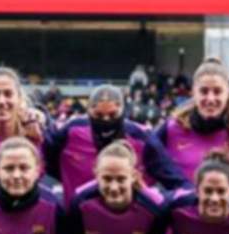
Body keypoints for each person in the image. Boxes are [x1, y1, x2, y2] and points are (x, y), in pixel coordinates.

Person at [149, 59, 229, 190]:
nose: (210, 99)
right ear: (193, 92)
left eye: (217, 91)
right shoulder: (171, 129)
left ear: (228, 93)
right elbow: (148, 168)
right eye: (204, 91)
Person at [45, 83, 173, 195]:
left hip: (130, 212)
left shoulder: (142, 136)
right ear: (89, 112)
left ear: (122, 111)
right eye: (99, 115)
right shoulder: (71, 131)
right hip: (78, 211)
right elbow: (46, 156)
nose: (106, 120)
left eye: (112, 115)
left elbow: (171, 176)